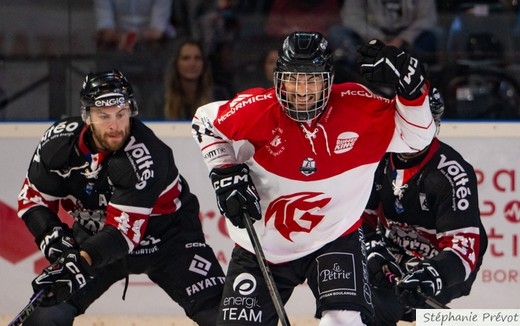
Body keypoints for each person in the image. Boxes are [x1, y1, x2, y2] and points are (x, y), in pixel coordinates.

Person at [191, 31, 437, 325]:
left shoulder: (359, 108)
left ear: (329, 80)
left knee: (343, 322)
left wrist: (412, 90)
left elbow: (418, 138)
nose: (303, 90)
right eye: (294, 79)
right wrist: (224, 169)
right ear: (278, 79)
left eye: (313, 79)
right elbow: (205, 120)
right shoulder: (257, 109)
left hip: (335, 240)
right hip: (262, 249)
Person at [17, 69, 225, 325]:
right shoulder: (58, 144)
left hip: (169, 239)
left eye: (121, 114)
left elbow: (123, 233)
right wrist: (54, 239)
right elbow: (32, 199)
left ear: (131, 111)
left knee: (221, 316)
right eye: (103, 116)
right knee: (45, 314)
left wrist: (79, 262)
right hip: (96, 237)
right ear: (87, 116)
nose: (115, 125)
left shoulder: (145, 156)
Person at [362, 89, 488, 325]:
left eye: (422, 123)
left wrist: (432, 274)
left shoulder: (452, 173)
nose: (413, 131)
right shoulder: (377, 158)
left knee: (383, 304)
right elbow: (358, 218)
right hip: (394, 250)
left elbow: (464, 249)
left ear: (435, 124)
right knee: (350, 291)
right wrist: (372, 247)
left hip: (440, 260)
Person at [94, 0, 176, 119]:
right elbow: (105, 25)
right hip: (117, 45)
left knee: (159, 65)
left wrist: (132, 39)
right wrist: (122, 39)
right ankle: (111, 116)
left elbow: (158, 29)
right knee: (106, 58)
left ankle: (156, 117)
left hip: (151, 46)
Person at [327, 0, 439, 80]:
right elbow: (351, 17)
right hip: (369, 39)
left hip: (407, 41)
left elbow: (427, 19)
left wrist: (401, 39)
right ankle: (358, 75)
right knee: (337, 33)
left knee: (435, 35)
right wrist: (379, 38)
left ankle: (412, 74)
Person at [163, 38, 222, 120]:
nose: (192, 64)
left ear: (204, 63)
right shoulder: (161, 100)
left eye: (197, 58)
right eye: (186, 58)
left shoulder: (218, 97)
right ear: (176, 63)